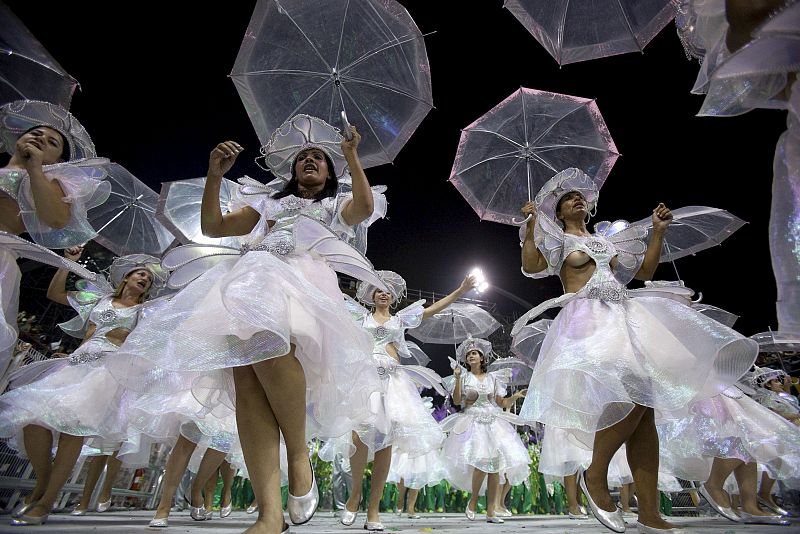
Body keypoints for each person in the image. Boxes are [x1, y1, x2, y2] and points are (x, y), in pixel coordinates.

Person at [107, 114, 386, 534]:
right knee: (245, 380)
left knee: (274, 352)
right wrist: (215, 177)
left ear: (330, 172)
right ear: (291, 170)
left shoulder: (334, 205)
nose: (310, 160)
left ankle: (297, 453)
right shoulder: (265, 202)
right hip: (251, 277)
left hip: (304, 280)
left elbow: (362, 208)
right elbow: (213, 227)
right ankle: (269, 514)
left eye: (319, 158)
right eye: (303, 157)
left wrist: (351, 154)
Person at [516, 168, 758, 533]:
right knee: (634, 397)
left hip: (625, 314)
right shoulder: (557, 240)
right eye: (568, 200)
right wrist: (533, 224)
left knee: (646, 406)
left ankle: (648, 511)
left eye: (581, 197)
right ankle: (595, 476)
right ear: (560, 212)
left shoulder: (607, 241)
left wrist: (658, 232)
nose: (577, 200)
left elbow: (644, 270)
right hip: (588, 319)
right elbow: (529, 265)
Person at [0, 250, 162, 526]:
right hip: (75, 365)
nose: (145, 278)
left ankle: (46, 502)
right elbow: (55, 294)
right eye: (141, 273)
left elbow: (145, 346)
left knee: (71, 431)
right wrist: (70, 262)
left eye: (148, 278)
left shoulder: (142, 313)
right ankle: (43, 484)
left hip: (106, 372)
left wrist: (124, 340)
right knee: (33, 419)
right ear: (126, 277)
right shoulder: (98, 300)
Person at [327, 270, 474, 530]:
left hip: (393, 385)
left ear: (393, 297)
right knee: (357, 437)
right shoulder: (360, 317)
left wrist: (460, 290)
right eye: (378, 289)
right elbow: (333, 300)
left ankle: (374, 509)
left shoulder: (399, 320)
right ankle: (354, 496)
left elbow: (431, 310)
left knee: (386, 444)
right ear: (371, 295)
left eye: (388, 291)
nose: (383, 293)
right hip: (365, 381)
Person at [0, 99, 110, 377]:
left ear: (58, 162)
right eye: (36, 132)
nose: (40, 138)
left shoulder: (45, 182)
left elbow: (57, 219)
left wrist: (35, 169)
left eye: (52, 142)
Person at [441, 337, 530, 524]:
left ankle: (491, 512)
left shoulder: (492, 378)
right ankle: (473, 502)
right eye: (469, 354)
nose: (471, 356)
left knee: (496, 468)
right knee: (481, 463)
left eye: (475, 353)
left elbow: (501, 403)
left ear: (482, 358)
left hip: (493, 422)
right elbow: (457, 402)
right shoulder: (463, 377)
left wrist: (515, 396)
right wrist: (457, 378)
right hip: (473, 421)